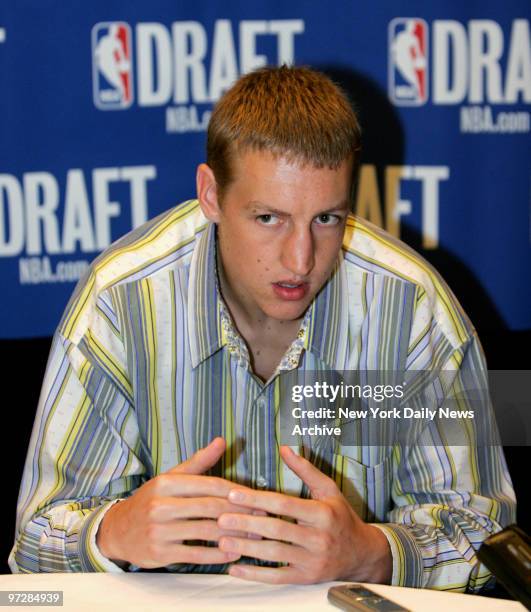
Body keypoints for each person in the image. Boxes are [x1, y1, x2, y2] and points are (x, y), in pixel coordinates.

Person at [10, 66, 515, 591]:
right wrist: (112, 533)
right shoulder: (122, 302)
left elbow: (487, 535)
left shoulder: (412, 310)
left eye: (327, 219)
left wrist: (373, 554)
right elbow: (32, 545)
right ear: (210, 195)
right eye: (269, 218)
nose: (300, 261)